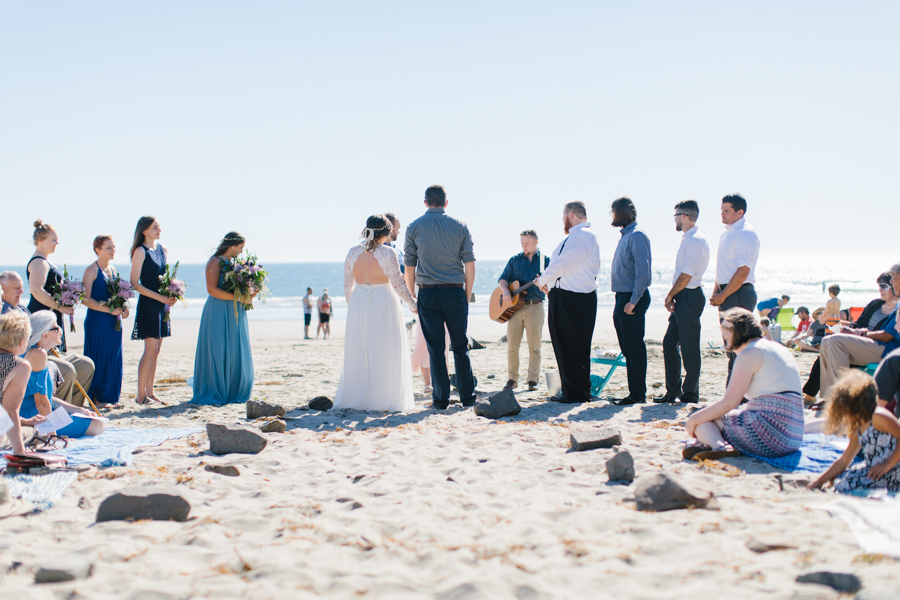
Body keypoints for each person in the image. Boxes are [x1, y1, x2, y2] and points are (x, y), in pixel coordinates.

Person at [683, 308, 804, 460]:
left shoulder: (749, 353)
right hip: (794, 436)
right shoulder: (777, 347)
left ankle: (719, 446)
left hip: (771, 434)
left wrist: (693, 419)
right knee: (709, 418)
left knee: (703, 421)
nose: (725, 340)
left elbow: (729, 403)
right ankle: (711, 444)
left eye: (726, 335)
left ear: (736, 332)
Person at [404, 185, 477, 410]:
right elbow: (470, 264)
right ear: (446, 203)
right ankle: (467, 397)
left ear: (425, 203)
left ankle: (441, 400)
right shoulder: (460, 226)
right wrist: (466, 294)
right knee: (460, 346)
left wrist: (413, 295)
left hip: (428, 292)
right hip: (455, 290)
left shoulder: (414, 226)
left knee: (436, 349)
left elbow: (409, 266)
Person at [335, 215, 417, 411]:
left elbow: (347, 285)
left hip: (359, 301)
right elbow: (397, 283)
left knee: (361, 348)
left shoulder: (352, 252)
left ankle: (359, 397)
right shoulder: (388, 253)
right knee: (386, 347)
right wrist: (412, 303)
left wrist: (354, 306)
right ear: (386, 233)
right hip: (384, 301)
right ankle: (384, 398)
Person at [535, 201, 601, 404]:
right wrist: (548, 284)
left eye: (563, 216)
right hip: (564, 297)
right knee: (563, 346)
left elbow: (563, 264)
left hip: (576, 299)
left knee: (574, 346)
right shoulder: (575, 237)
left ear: (570, 215)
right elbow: (560, 268)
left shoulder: (583, 236)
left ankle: (578, 393)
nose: (562, 220)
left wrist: (544, 280)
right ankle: (570, 390)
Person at [23, 221, 95, 407]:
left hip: (50, 318)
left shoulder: (44, 261)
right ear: (41, 240)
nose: (57, 243)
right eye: (53, 240)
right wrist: (60, 307)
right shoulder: (39, 262)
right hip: (42, 320)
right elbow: (37, 290)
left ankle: (71, 408)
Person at [802, 274, 899, 403]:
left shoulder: (897, 308)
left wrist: (855, 333)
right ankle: (827, 397)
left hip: (879, 347)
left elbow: (885, 336)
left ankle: (837, 399)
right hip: (859, 342)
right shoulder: (875, 304)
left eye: (883, 286)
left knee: (833, 342)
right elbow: (858, 324)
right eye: (879, 286)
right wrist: (846, 329)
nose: (879, 289)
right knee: (826, 341)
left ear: (895, 286)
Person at [809, 371, 900, 493]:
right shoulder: (858, 426)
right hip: (875, 469)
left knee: (847, 484)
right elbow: (845, 460)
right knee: (842, 478)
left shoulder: (877, 415)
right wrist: (818, 482)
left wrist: (887, 464)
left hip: (894, 468)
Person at [192, 232, 255, 405]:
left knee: (235, 348)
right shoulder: (215, 262)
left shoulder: (236, 264)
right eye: (241, 247)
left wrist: (249, 293)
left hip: (235, 310)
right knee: (218, 348)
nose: (242, 252)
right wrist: (238, 297)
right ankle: (216, 389)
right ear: (233, 246)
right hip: (218, 310)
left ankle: (234, 389)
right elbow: (211, 289)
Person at [657, 200, 709, 405]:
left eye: (676, 215)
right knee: (669, 344)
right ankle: (672, 392)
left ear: (684, 216)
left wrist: (670, 295)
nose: (675, 219)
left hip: (690, 296)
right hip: (683, 297)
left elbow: (686, 275)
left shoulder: (695, 240)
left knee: (689, 348)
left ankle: (690, 393)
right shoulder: (687, 238)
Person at [21, 312, 104, 438]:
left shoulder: (34, 352)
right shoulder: (37, 355)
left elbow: (47, 398)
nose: (60, 330)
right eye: (56, 327)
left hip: (36, 414)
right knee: (98, 425)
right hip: (34, 418)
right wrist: (51, 434)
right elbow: (41, 402)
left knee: (90, 419)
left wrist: (78, 409)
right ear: (45, 334)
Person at [709, 194, 761, 381]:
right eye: (721, 210)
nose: (722, 214)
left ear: (740, 212)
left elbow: (742, 272)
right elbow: (724, 268)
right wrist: (716, 290)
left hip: (739, 293)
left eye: (727, 211)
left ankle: (737, 396)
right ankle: (733, 395)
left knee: (739, 347)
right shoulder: (727, 233)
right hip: (728, 292)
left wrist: (723, 294)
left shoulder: (745, 233)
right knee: (730, 347)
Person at [130, 215, 178, 406]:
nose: (159, 230)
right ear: (144, 230)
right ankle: (140, 395)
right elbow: (134, 283)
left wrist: (172, 294)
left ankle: (150, 392)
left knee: (156, 351)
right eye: (154, 227)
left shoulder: (163, 249)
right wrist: (160, 298)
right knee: (149, 350)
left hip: (162, 304)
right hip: (149, 304)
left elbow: (164, 278)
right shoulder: (140, 251)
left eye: (159, 227)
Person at [608, 197, 652, 405]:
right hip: (622, 297)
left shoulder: (637, 236)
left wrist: (633, 301)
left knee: (634, 347)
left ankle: (638, 394)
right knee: (627, 347)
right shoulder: (625, 236)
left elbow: (643, 274)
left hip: (632, 297)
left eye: (613, 211)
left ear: (622, 212)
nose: (612, 215)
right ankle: (633, 392)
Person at [498, 229, 550, 391]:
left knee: (534, 346)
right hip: (515, 308)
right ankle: (512, 379)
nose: (524, 246)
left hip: (535, 307)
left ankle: (532, 380)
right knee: (512, 346)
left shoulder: (545, 261)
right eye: (522, 243)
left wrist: (543, 285)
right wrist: (506, 291)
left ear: (536, 243)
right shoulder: (514, 260)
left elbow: (551, 283)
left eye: (527, 243)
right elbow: (503, 279)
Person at [81, 236, 128, 406]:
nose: (112, 250)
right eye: (108, 247)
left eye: (114, 247)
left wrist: (123, 307)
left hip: (113, 322)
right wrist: (109, 309)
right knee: (99, 358)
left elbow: (116, 297)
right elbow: (84, 299)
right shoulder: (91, 270)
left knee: (113, 358)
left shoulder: (113, 270)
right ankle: (97, 398)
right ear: (97, 250)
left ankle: (110, 397)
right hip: (98, 321)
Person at [0, 312, 45, 454]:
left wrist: (24, 420)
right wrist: (19, 452)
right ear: (22, 342)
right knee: (35, 431)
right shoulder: (19, 365)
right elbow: (9, 410)